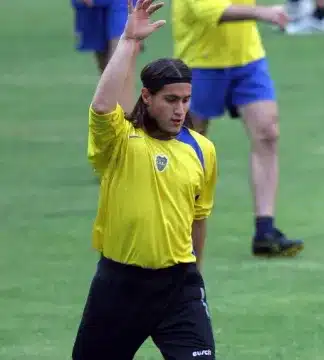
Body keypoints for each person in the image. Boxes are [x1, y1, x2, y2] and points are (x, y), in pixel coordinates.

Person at [72, 1, 218, 359]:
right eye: (170, 100)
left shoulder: (202, 149)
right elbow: (103, 107)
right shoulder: (121, 143)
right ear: (147, 97)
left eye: (185, 100)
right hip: (120, 286)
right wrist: (128, 41)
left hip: (179, 286)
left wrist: (194, 278)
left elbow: (198, 220)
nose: (180, 109)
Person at [171, 0, 304, 257]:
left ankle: (265, 230)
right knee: (189, 145)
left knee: (267, 132)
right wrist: (263, 13)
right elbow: (208, 11)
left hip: (247, 57)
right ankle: (177, 228)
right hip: (200, 60)